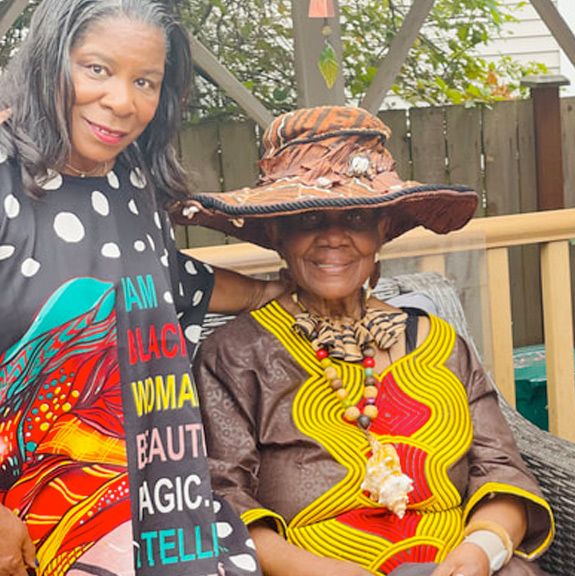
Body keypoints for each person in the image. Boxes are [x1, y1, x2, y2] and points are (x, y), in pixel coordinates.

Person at [181, 106, 555, 576]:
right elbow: (220, 497)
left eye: (355, 217)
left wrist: (482, 550)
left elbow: (500, 469)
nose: (333, 238)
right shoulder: (237, 355)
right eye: (308, 218)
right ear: (276, 232)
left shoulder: (442, 344)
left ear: (382, 229)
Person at [0, 1, 283, 575]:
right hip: (30, 527)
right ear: (48, 61)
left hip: (159, 507)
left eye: (145, 81)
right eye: (97, 69)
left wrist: (270, 293)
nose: (123, 102)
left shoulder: (131, 177)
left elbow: (163, 283)